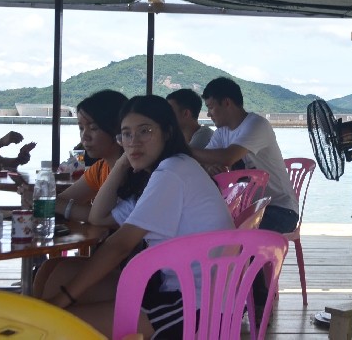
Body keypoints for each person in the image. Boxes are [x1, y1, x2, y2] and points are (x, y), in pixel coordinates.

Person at [33, 95, 233, 338]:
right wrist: (122, 164)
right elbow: (99, 218)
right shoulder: (164, 171)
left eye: (144, 131)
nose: (134, 142)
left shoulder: (172, 171)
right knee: (60, 273)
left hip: (196, 305)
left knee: (54, 325)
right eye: (126, 134)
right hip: (169, 287)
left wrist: (61, 300)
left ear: (167, 133)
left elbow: (119, 245)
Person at [191, 77, 298, 315]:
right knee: (217, 231)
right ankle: (227, 300)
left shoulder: (256, 125)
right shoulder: (222, 133)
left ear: (227, 103)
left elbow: (228, 156)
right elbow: (207, 159)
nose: (209, 114)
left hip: (281, 210)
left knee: (238, 238)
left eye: (211, 107)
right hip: (249, 210)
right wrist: (209, 165)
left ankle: (251, 302)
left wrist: (184, 149)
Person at [55, 90, 128, 223]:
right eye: (81, 128)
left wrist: (48, 202)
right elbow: (63, 200)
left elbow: (114, 219)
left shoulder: (137, 172)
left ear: (117, 129)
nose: (84, 136)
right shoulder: (100, 169)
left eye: (93, 128)